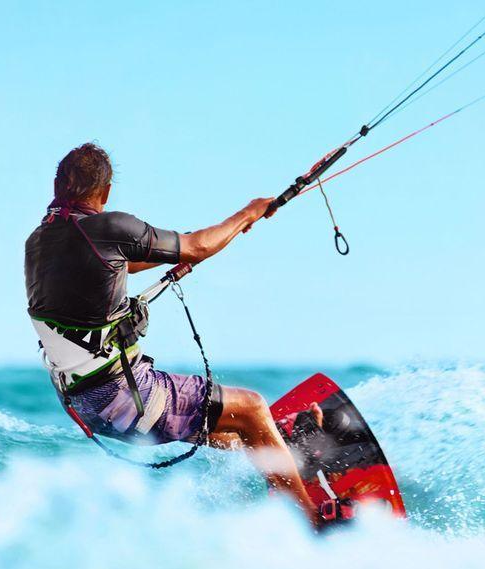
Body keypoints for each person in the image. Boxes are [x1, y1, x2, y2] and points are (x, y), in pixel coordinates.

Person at [25, 143, 321, 524]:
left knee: (224, 427)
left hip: (86, 407)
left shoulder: (39, 242)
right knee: (251, 407)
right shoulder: (110, 227)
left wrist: (191, 248)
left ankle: (280, 445)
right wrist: (248, 213)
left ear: (56, 185)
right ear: (106, 192)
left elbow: (121, 263)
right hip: (127, 399)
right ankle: (309, 519)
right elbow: (195, 247)